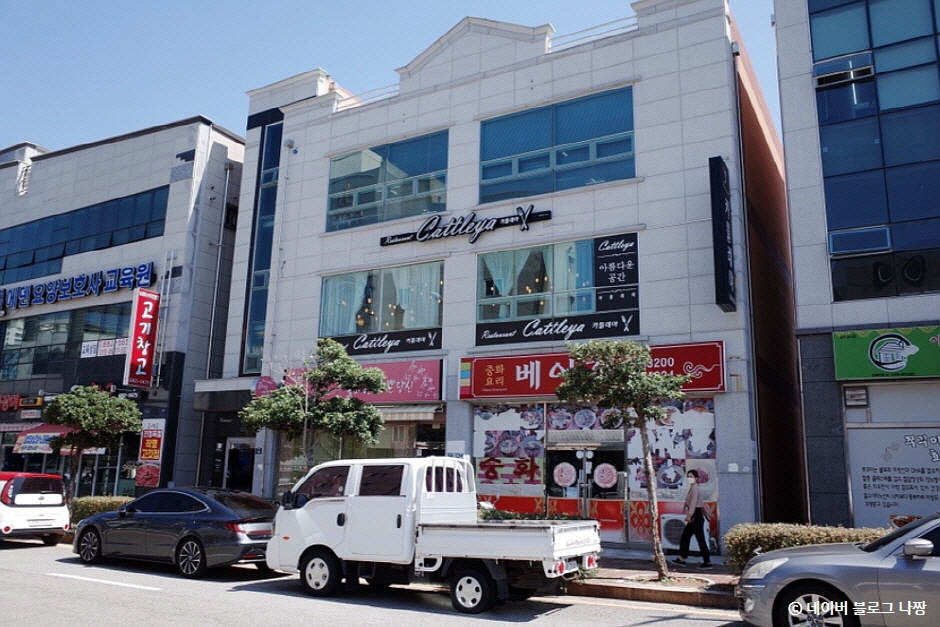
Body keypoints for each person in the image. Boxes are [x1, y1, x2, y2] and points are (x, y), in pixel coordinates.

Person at [671, 469, 712, 570]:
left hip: (695, 516)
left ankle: (705, 561)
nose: (689, 478)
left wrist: (689, 515)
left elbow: (693, 503)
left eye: (691, 476)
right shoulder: (694, 487)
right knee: (689, 537)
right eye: (688, 476)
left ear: (696, 478)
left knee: (694, 538)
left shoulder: (695, 488)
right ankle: (683, 559)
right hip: (696, 515)